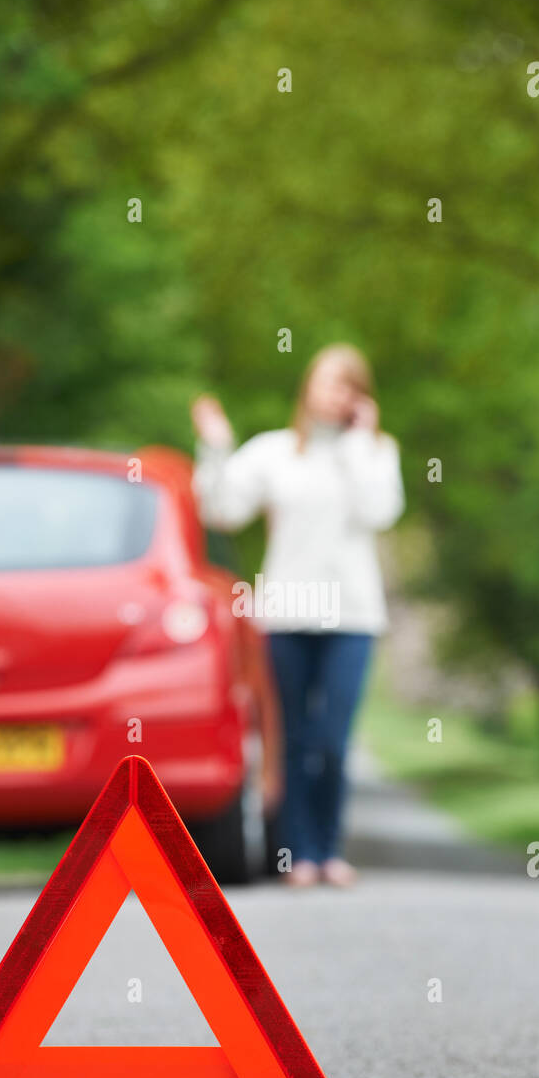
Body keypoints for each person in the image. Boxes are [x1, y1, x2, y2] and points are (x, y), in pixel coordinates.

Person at [191, 343, 405, 888]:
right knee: (289, 739)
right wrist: (215, 448)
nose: (333, 394)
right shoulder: (275, 452)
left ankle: (329, 847)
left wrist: (359, 443)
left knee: (332, 740)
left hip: (351, 616)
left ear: (361, 397)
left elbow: (379, 512)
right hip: (286, 613)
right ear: (308, 387)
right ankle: (295, 855)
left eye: (346, 385)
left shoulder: (376, 453)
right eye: (325, 381)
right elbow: (221, 509)